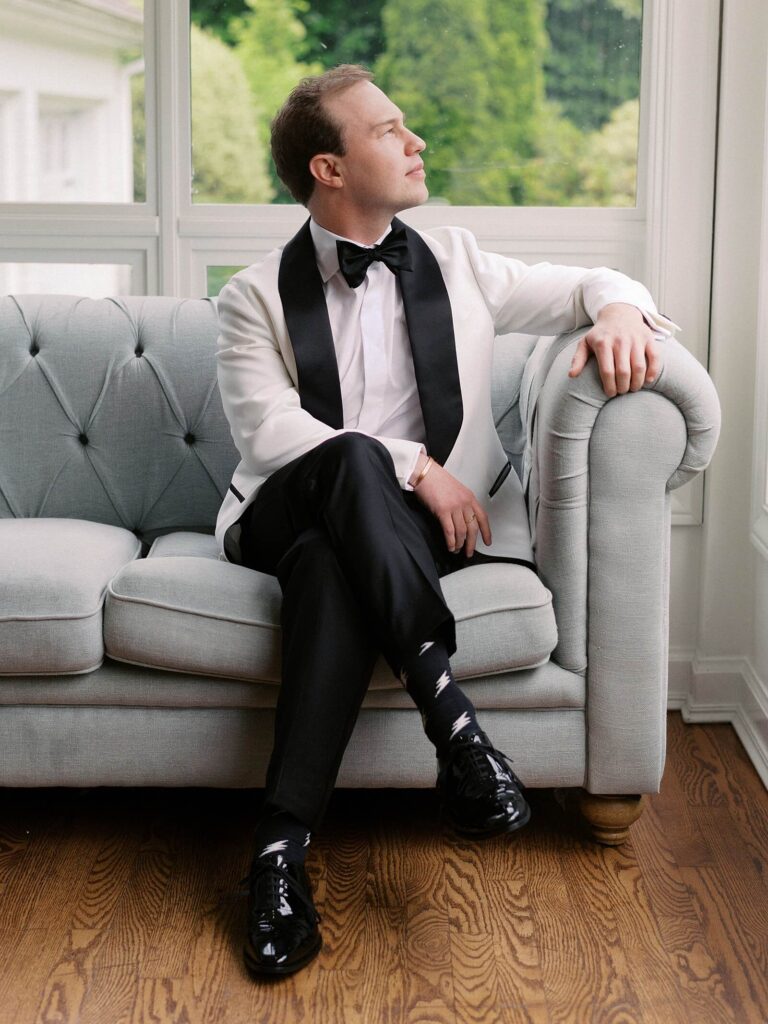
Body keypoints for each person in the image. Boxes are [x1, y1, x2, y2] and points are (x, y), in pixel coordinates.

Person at [214, 64, 675, 978]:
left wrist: (620, 308)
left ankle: (276, 855)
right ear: (329, 168)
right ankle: (455, 728)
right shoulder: (253, 296)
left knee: (327, 568)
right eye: (388, 130)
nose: (415, 140)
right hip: (282, 504)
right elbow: (272, 433)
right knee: (346, 459)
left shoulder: (458, 261)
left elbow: (590, 279)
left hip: (384, 541)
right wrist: (418, 466)